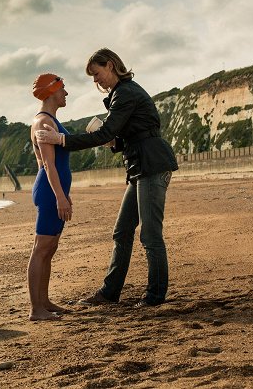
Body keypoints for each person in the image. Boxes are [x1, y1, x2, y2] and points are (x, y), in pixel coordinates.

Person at [35, 49, 178, 307]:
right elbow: (127, 134)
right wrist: (114, 140)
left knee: (150, 234)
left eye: (97, 74)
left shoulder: (126, 93)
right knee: (122, 232)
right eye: (92, 77)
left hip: (152, 165)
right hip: (138, 167)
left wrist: (61, 139)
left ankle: (155, 296)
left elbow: (110, 134)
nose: (95, 81)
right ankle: (109, 293)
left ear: (110, 66)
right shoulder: (120, 94)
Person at [27, 73, 73, 321]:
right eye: (62, 88)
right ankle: (36, 309)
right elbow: (48, 165)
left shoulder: (51, 121)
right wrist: (60, 197)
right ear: (51, 91)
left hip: (54, 191)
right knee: (41, 248)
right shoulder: (43, 122)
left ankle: (44, 301)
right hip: (48, 191)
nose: (66, 93)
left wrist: (65, 194)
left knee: (50, 247)